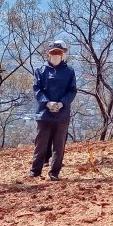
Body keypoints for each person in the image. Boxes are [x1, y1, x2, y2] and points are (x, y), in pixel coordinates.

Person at [30, 40, 77, 181]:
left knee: (59, 144)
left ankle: (54, 172)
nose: (56, 55)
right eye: (53, 53)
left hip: (62, 115)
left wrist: (62, 103)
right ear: (48, 54)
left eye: (59, 53)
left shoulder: (69, 71)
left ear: (63, 54)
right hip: (44, 114)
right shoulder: (40, 71)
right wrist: (47, 102)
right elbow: (36, 89)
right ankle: (35, 171)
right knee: (41, 143)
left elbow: (72, 90)